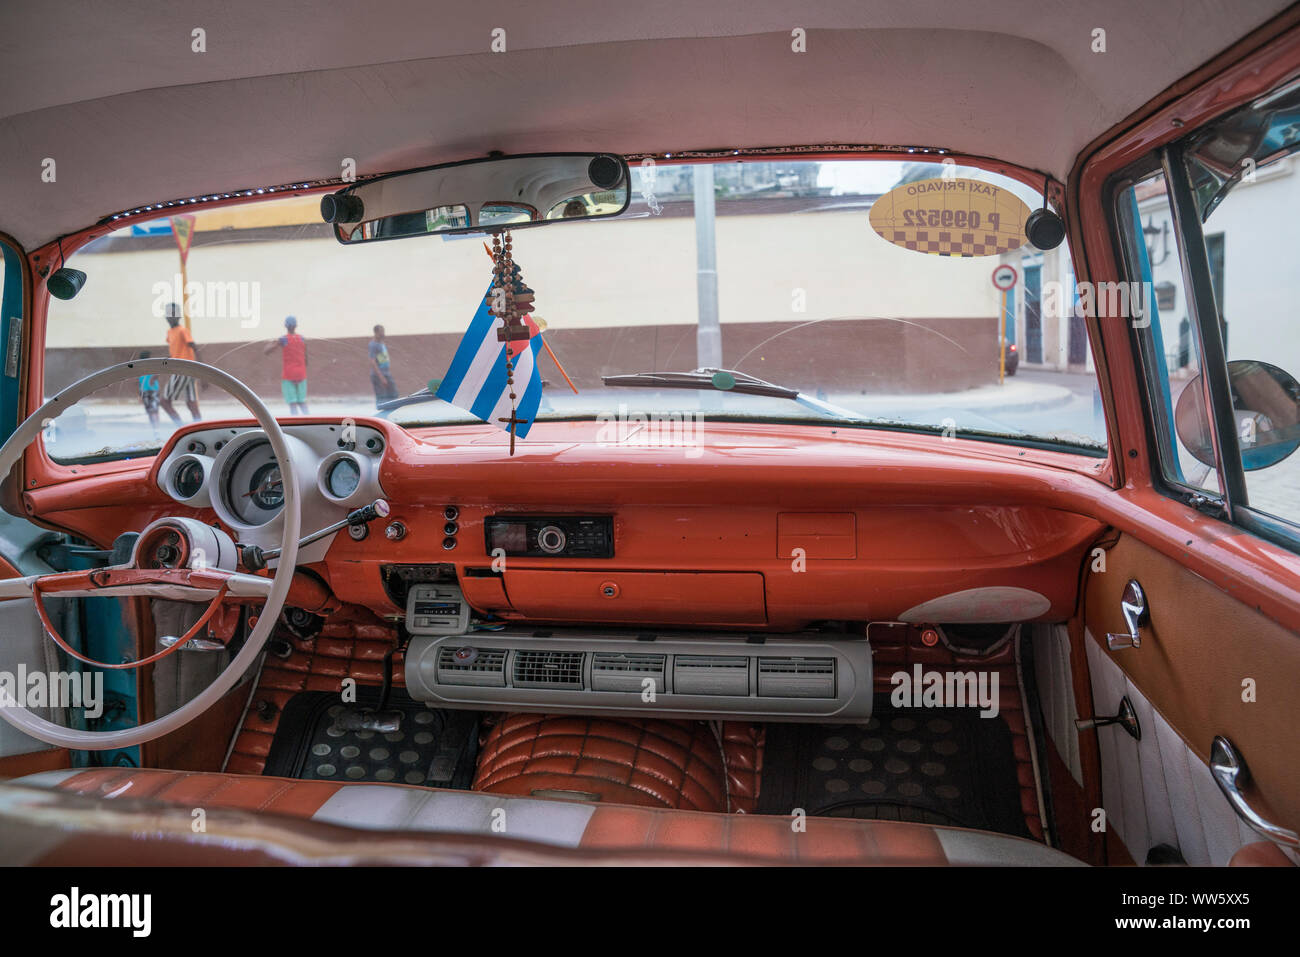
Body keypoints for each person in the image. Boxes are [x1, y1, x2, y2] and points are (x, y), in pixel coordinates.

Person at [159, 303, 201, 423]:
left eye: (172, 314)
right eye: (168, 314)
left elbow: (194, 348)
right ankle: (199, 425)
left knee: (164, 402)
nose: (170, 316)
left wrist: (203, 371)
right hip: (184, 370)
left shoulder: (183, 330)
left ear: (178, 316)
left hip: (183, 369)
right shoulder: (170, 332)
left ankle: (180, 427)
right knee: (191, 403)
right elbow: (174, 353)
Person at [265, 315, 309, 414]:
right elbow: (306, 359)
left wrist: (272, 342)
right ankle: (309, 419)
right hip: (302, 374)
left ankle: (295, 422)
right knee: (302, 401)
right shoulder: (302, 339)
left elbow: (267, 351)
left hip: (288, 375)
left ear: (285, 326)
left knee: (292, 403)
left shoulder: (283, 340)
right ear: (296, 325)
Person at [368, 324, 399, 406]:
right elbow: (373, 361)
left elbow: (382, 358)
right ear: (376, 333)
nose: (383, 334)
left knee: (393, 394)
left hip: (386, 373)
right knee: (382, 397)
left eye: (383, 332)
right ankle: (380, 416)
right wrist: (381, 377)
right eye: (381, 332)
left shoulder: (381, 343)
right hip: (379, 375)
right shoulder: (373, 345)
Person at [136, 350, 160, 428]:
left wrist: (152, 379)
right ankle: (155, 428)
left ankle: (156, 428)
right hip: (150, 390)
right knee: (152, 410)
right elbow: (139, 382)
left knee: (152, 410)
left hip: (149, 390)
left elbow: (157, 374)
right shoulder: (146, 365)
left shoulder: (143, 366)